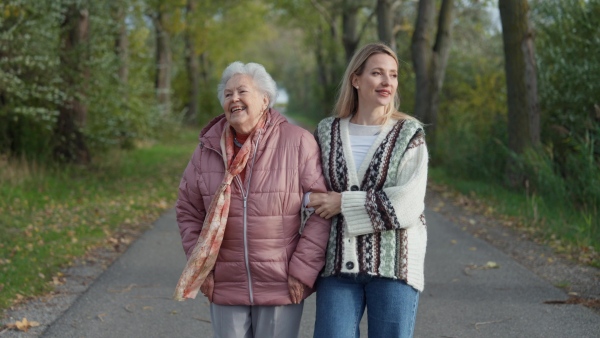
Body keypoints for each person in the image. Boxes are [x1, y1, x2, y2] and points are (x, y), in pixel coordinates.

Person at [174, 61, 330, 338]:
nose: (234, 99)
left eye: (242, 91)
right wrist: (203, 267)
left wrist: (302, 271)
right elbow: (188, 209)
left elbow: (322, 210)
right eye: (228, 94)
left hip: (281, 283)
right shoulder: (206, 149)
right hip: (225, 283)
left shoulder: (298, 142)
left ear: (265, 99)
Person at [308, 42, 429, 338]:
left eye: (393, 75)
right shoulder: (327, 131)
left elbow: (407, 204)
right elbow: (310, 191)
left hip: (394, 267)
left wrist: (344, 203)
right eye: (377, 73)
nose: (388, 82)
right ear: (356, 79)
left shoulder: (409, 134)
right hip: (336, 267)